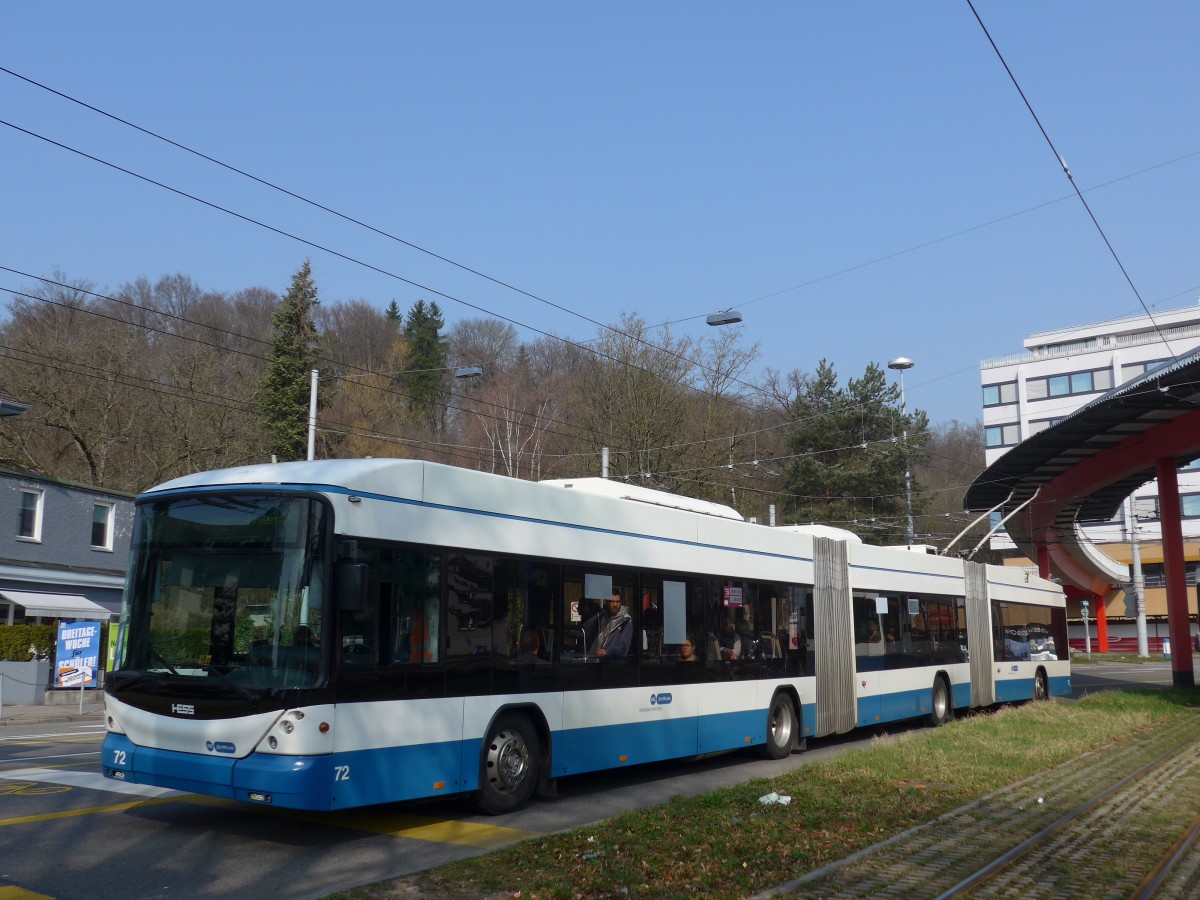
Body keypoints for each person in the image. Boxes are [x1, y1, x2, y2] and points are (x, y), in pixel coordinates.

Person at [588, 590, 633, 659]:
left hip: (611, 665)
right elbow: (588, 633)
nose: (615, 605)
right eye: (611, 601)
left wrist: (607, 651)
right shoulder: (600, 617)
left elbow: (623, 648)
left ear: (621, 602)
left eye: (617, 602)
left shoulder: (626, 621)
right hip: (594, 661)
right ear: (605, 602)